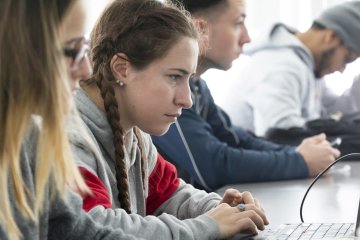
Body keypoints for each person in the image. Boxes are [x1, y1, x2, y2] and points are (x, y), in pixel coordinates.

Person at [71, 0, 268, 239]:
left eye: (188, 79)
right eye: (175, 77)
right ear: (122, 68)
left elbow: (169, 194)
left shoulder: (135, 133)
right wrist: (209, 226)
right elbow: (96, 228)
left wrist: (220, 209)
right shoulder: (69, 137)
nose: (187, 100)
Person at [152, 0, 341, 191]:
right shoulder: (167, 92)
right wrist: (300, 161)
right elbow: (214, 166)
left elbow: (237, 139)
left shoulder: (198, 86)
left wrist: (300, 154)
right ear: (201, 29)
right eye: (238, 23)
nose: (247, 38)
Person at [0, 0, 142, 239]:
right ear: (22, 49)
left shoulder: (27, 133)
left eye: (85, 48)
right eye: (73, 50)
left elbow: (72, 228)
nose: (87, 69)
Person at [222, 1, 360, 137]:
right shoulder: (281, 66)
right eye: (347, 59)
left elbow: (337, 109)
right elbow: (283, 136)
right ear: (331, 37)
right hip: (253, 157)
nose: (342, 69)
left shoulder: (307, 65)